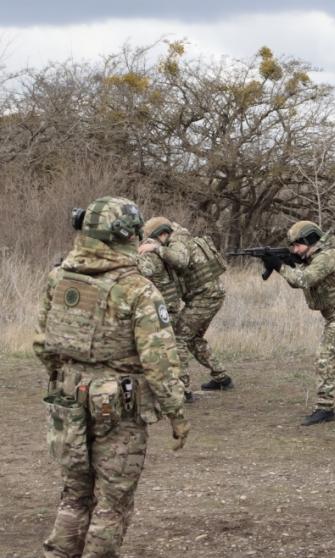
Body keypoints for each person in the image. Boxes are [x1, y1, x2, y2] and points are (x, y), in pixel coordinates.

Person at [37, 197, 189, 557]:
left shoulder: (59, 277)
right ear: (126, 235)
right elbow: (160, 362)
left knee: (74, 494)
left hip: (65, 400)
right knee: (113, 501)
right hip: (117, 406)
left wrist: (67, 380)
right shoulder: (138, 289)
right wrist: (176, 413)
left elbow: (44, 343)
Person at [263, 220, 335, 426]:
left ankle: (324, 408)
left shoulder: (326, 257)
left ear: (310, 241)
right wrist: (291, 261)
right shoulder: (320, 255)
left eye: (297, 245)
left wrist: (279, 265)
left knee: (325, 357)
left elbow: (303, 280)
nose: (295, 249)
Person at [137, 218, 232, 399]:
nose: (153, 244)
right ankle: (221, 377)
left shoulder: (178, 241)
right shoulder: (178, 239)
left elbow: (180, 261)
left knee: (178, 337)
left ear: (163, 234)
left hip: (205, 297)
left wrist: (156, 249)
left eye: (154, 240)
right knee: (192, 338)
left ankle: (183, 389)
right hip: (209, 295)